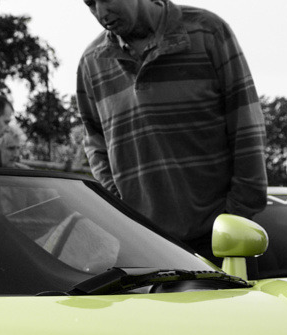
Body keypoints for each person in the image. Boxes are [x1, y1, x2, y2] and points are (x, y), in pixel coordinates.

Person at [75, 0, 267, 260]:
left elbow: (247, 126)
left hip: (220, 243)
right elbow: (95, 145)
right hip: (141, 247)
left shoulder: (207, 32)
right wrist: (122, 211)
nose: (101, 13)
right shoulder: (92, 62)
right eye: (90, 4)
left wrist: (235, 217)